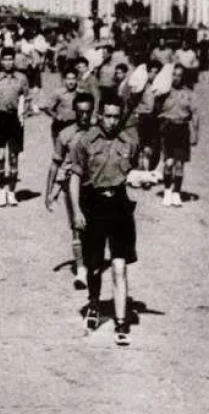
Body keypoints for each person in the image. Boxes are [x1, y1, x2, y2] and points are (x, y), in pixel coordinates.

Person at [67, 97, 139, 345]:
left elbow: (134, 173)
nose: (111, 121)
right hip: (94, 204)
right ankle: (94, 304)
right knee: (94, 264)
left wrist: (139, 182)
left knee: (120, 267)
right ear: (99, 115)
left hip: (119, 206)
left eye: (116, 117)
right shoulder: (85, 141)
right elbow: (75, 177)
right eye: (107, 116)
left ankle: (121, 322)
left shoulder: (129, 142)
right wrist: (76, 210)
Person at [45, 92, 95, 291]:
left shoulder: (99, 132)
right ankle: (81, 270)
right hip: (72, 186)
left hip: (95, 186)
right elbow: (55, 164)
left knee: (94, 228)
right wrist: (49, 192)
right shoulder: (65, 134)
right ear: (75, 112)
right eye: (80, 112)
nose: (84, 116)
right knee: (77, 226)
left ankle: (92, 262)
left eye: (88, 112)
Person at [157, 66, 200, 207]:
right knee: (169, 163)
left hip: (182, 129)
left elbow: (195, 114)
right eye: (174, 75)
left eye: (179, 75)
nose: (176, 77)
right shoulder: (164, 90)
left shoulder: (189, 94)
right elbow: (155, 107)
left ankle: (176, 193)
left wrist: (195, 133)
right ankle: (167, 191)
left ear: (183, 77)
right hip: (167, 128)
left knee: (180, 165)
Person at [0, 48, 29, 207]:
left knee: (13, 158)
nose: (8, 62)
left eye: (10, 59)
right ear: (1, 61)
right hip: (0, 119)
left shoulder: (21, 78)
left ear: (14, 60)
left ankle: (12, 193)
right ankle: (1, 192)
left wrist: (23, 113)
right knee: (0, 157)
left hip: (14, 119)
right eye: (5, 59)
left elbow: (26, 98)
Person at [44, 66, 81, 141]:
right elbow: (47, 108)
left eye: (73, 79)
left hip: (75, 126)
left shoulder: (81, 94)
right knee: (59, 151)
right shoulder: (59, 93)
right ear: (64, 80)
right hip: (61, 125)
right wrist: (56, 116)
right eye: (68, 79)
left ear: (77, 80)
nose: (71, 82)